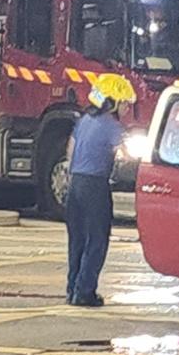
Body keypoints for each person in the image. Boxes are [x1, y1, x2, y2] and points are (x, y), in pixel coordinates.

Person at [65, 73, 137, 307]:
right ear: (113, 102)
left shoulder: (84, 120)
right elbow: (125, 155)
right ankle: (85, 292)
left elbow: (70, 149)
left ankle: (72, 288)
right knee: (97, 239)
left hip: (75, 182)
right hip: (95, 185)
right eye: (125, 103)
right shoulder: (112, 126)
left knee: (78, 239)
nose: (127, 108)